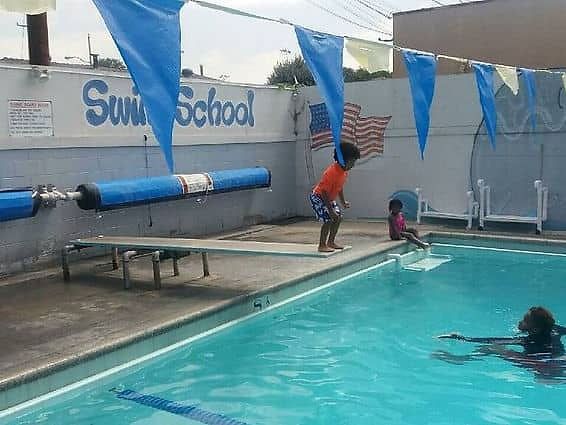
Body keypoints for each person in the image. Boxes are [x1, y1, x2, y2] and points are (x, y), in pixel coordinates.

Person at [434, 306, 566, 380]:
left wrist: (462, 338)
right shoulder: (556, 329)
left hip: (542, 367)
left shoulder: (526, 339)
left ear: (535, 329)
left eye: (525, 321)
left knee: (493, 348)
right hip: (561, 363)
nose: (520, 322)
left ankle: (461, 359)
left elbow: (493, 340)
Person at [309, 142, 360, 252]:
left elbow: (339, 187)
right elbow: (324, 192)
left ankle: (331, 242)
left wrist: (342, 201)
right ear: (343, 160)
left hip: (328, 198)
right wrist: (331, 210)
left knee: (338, 218)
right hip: (318, 197)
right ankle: (322, 245)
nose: (353, 165)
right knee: (328, 219)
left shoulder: (343, 172)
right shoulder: (332, 172)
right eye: (352, 162)